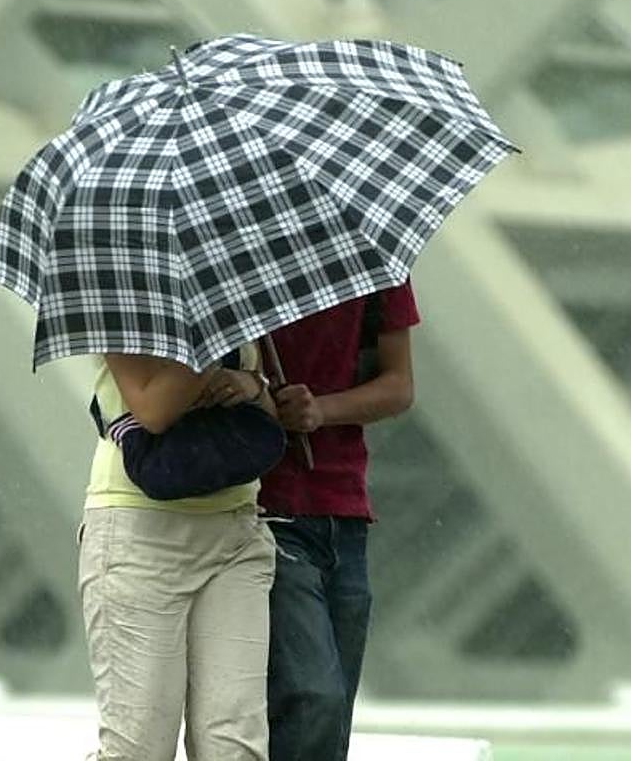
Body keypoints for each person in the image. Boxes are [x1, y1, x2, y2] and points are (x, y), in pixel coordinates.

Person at [77, 343, 278, 760]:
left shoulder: (228, 292)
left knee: (236, 747)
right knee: (139, 748)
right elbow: (153, 410)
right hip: (138, 534)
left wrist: (252, 387)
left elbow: (266, 418)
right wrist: (211, 350)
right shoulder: (120, 291)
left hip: (236, 533)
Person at [256, 281, 420, 761]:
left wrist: (319, 411)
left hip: (345, 513)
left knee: (332, 712)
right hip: (267, 512)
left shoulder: (371, 260)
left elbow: (399, 385)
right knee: (313, 697)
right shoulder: (237, 256)